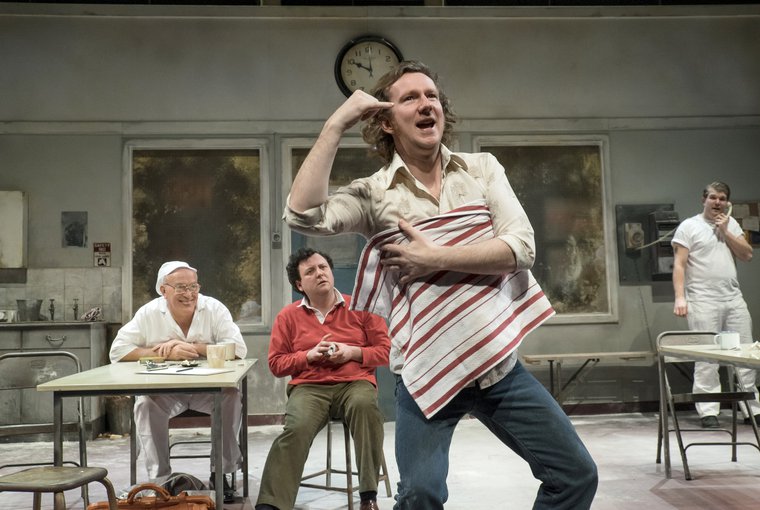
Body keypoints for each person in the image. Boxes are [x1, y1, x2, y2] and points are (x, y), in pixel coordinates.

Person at [283, 60, 597, 510]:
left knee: (575, 475)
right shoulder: (374, 193)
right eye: (410, 98)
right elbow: (303, 215)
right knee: (420, 495)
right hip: (425, 369)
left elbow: (521, 248)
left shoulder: (481, 169)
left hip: (496, 365)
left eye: (431, 95)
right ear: (386, 122)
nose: (426, 104)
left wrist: (434, 258)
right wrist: (336, 124)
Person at [256, 248, 390, 510]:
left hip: (355, 383)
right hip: (309, 387)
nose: (319, 274)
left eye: (323, 267)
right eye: (310, 271)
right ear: (299, 284)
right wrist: (307, 356)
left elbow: (385, 351)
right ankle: (271, 504)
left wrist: (352, 352)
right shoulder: (288, 316)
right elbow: (276, 364)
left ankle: (368, 497)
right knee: (296, 427)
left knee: (365, 407)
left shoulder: (360, 307)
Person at [109, 261, 247, 502]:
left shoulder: (214, 309)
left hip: (209, 391)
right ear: (164, 290)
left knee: (231, 396)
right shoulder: (149, 313)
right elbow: (118, 351)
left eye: (193, 287)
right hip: (166, 392)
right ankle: (160, 479)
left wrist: (193, 347)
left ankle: (221, 473)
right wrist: (163, 353)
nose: (189, 294)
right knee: (145, 404)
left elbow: (239, 349)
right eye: (181, 287)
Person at [672, 181, 759, 428]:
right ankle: (708, 410)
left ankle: (751, 408)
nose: (717, 202)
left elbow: (747, 254)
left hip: (732, 298)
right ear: (704, 200)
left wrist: (726, 231)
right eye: (713, 197)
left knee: (745, 354)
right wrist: (680, 297)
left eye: (722, 198)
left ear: (727, 202)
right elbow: (679, 264)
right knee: (707, 358)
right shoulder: (689, 226)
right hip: (702, 299)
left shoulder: (731, 224)